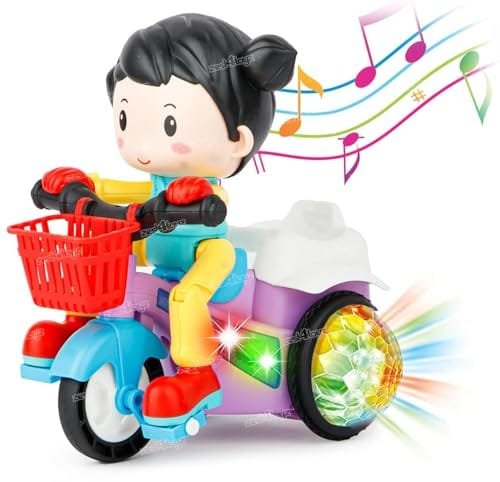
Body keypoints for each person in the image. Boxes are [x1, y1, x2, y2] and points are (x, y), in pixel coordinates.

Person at [23, 13, 296, 428]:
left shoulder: (205, 189)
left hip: (208, 256)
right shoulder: (156, 182)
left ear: (238, 139)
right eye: (126, 120)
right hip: (158, 247)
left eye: (169, 124)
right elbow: (118, 190)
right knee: (103, 264)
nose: (145, 147)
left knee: (185, 298)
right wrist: (80, 186)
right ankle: (78, 325)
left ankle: (197, 374)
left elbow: (211, 203)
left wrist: (191, 199)